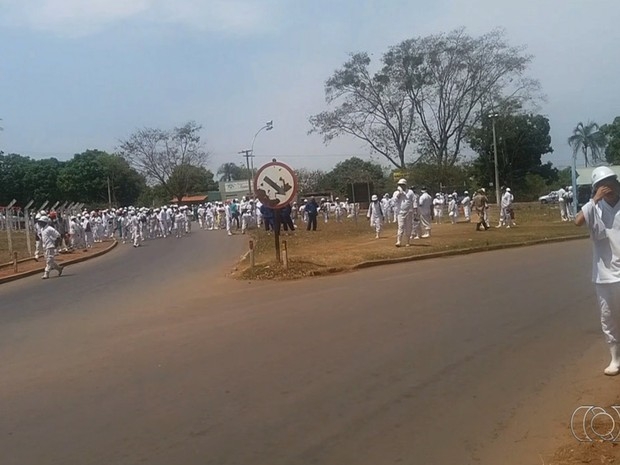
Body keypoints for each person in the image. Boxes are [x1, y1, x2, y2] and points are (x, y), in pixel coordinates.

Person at [575, 166, 620, 375]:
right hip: (604, 274)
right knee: (608, 316)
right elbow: (578, 221)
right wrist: (595, 199)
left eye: (611, 183)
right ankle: (615, 358)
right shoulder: (594, 208)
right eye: (603, 185)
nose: (608, 188)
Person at [392, 178, 414, 247]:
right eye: (400, 185)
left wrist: (415, 211)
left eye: (402, 185)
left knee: (408, 227)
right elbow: (394, 201)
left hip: (409, 212)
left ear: (405, 185)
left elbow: (414, 201)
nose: (401, 186)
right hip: (400, 212)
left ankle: (407, 241)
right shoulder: (396, 193)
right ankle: (399, 241)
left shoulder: (410, 192)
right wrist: (399, 194)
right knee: (400, 226)